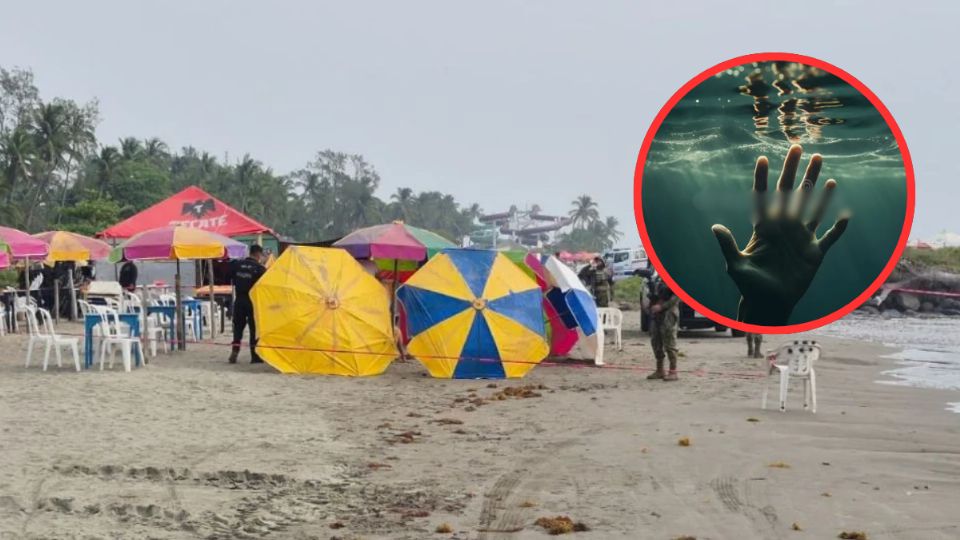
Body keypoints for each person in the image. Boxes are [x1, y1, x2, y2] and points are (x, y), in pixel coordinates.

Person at [228, 245, 267, 364]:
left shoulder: (237, 265)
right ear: (258, 255)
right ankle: (254, 356)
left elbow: (230, 276)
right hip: (252, 301)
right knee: (253, 328)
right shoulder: (260, 269)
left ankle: (235, 350)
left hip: (239, 299)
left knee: (238, 327)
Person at [646, 274, 680, 381]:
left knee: (669, 342)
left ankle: (673, 371)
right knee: (656, 341)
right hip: (657, 315)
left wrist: (662, 306)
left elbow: (676, 297)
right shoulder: (658, 279)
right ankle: (660, 370)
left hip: (669, 314)